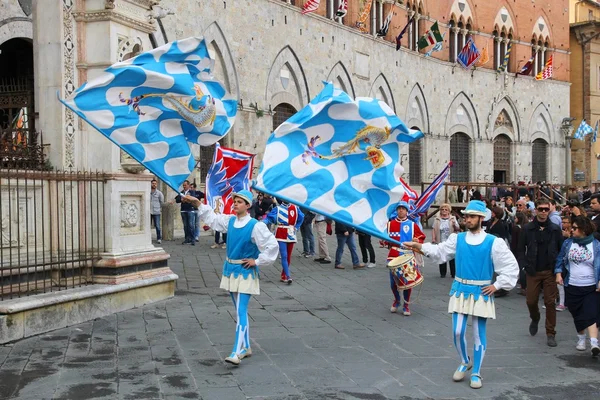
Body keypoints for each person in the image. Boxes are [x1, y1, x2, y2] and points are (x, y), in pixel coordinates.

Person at [402, 200, 519, 389]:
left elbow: (511, 267)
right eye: (466, 216)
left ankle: (476, 372)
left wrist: (497, 285)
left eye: (472, 216)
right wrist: (419, 246)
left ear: (481, 218)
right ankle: (465, 361)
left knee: (478, 334)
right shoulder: (458, 238)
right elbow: (440, 251)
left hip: (481, 291)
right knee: (457, 331)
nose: (468, 220)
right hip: (460, 290)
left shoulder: (493, 242)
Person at [188, 190, 278, 366]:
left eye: (239, 201)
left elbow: (271, 245)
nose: (235, 204)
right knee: (238, 309)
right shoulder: (229, 221)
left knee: (240, 310)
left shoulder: (255, 226)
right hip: (230, 269)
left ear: (247, 205)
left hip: (245, 271)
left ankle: (237, 351)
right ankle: (246, 347)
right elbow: (213, 219)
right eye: (235, 201)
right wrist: (198, 204)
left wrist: (257, 261)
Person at [517, 198, 564, 347]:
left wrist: (559, 270)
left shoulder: (555, 229)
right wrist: (523, 266)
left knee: (550, 302)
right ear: (536, 209)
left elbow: (561, 250)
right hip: (533, 270)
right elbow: (520, 249)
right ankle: (535, 317)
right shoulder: (527, 228)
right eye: (541, 209)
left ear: (549, 210)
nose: (543, 212)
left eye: (546, 209)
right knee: (531, 301)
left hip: (550, 270)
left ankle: (551, 333)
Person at [555, 216, 600, 357]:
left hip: (591, 285)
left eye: (574, 228)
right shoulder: (568, 243)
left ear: (584, 229)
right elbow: (560, 259)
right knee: (577, 314)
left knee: (591, 313)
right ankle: (581, 338)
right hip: (572, 284)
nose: (571, 230)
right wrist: (558, 273)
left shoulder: (596, 245)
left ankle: (594, 342)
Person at [386, 201, 426, 316]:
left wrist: (417, 241)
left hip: (408, 255)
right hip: (393, 255)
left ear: (407, 211)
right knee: (393, 282)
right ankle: (397, 300)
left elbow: (421, 237)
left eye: (403, 208)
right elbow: (384, 238)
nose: (401, 210)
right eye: (399, 208)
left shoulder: (413, 225)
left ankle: (406, 304)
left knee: (408, 281)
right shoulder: (390, 224)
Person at [264, 198, 304, 284]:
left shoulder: (295, 208)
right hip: (281, 233)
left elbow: (301, 217)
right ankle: (288, 276)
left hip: (291, 234)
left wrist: (296, 227)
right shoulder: (277, 209)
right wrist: (261, 223)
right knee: (284, 255)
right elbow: (269, 218)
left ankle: (284, 275)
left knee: (288, 256)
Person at [432, 204, 460, 278]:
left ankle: (453, 273)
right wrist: (433, 238)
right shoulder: (437, 219)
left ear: (449, 211)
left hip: (451, 241)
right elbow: (434, 229)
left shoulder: (453, 218)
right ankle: (443, 273)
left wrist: (454, 225)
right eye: (442, 209)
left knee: (452, 257)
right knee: (442, 256)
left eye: (446, 209)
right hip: (441, 240)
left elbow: (458, 229)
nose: (444, 211)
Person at [175, 180, 197, 246]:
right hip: (183, 210)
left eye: (185, 185)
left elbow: (192, 199)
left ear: (188, 185)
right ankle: (187, 238)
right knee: (185, 226)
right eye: (183, 185)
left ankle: (193, 239)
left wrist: (184, 199)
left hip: (190, 210)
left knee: (191, 225)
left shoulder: (192, 192)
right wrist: (183, 199)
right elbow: (177, 200)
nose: (184, 186)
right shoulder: (181, 192)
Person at [150, 179, 164, 244]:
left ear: (157, 184)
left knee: (157, 226)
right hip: (149, 211)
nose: (154, 185)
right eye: (153, 183)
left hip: (156, 211)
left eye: (155, 184)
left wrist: (159, 208)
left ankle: (159, 238)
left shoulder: (159, 193)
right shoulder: (148, 192)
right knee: (148, 226)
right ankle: (148, 238)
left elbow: (161, 202)